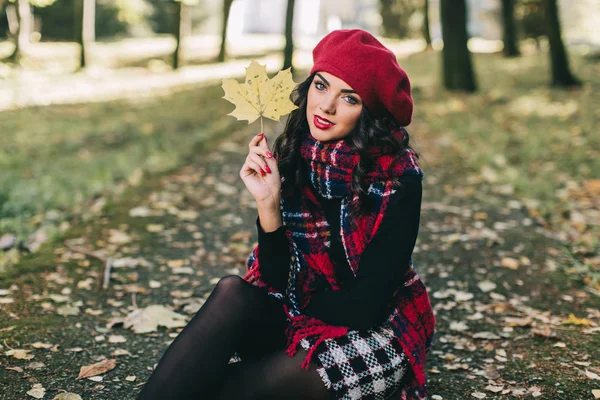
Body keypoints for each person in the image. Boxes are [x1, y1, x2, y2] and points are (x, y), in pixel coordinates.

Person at [137, 29, 436, 400]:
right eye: (322, 86)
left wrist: (294, 297)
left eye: (349, 98)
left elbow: (364, 307)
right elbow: (275, 276)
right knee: (232, 291)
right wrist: (268, 205)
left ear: (369, 114)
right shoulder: (300, 153)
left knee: (213, 388)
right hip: (305, 313)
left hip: (375, 330)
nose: (326, 107)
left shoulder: (398, 179)